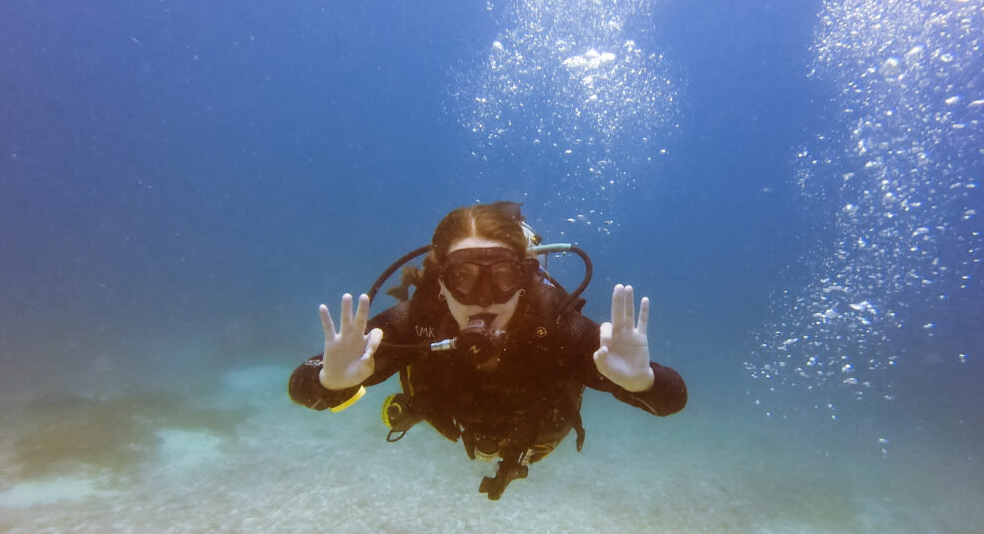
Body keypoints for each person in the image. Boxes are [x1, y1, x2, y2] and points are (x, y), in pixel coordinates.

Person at [288, 202, 686, 499]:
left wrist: (642, 382)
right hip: (453, 412)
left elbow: (673, 398)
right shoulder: (417, 320)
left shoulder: (556, 324)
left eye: (502, 276)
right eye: (463, 277)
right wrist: (328, 381)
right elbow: (300, 384)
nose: (483, 299)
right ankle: (414, 408)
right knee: (420, 396)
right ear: (441, 283)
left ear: (524, 277)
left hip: (536, 435)